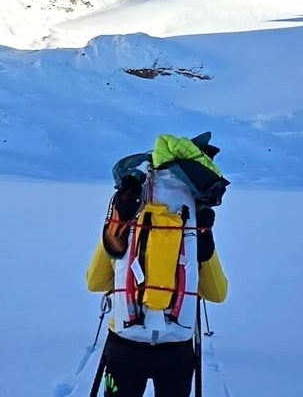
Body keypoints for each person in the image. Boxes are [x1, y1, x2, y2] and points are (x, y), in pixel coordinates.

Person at [85, 133, 229, 397]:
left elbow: (94, 282)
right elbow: (217, 294)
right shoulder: (193, 232)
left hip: (124, 346)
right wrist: (203, 242)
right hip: (177, 350)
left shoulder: (126, 226)